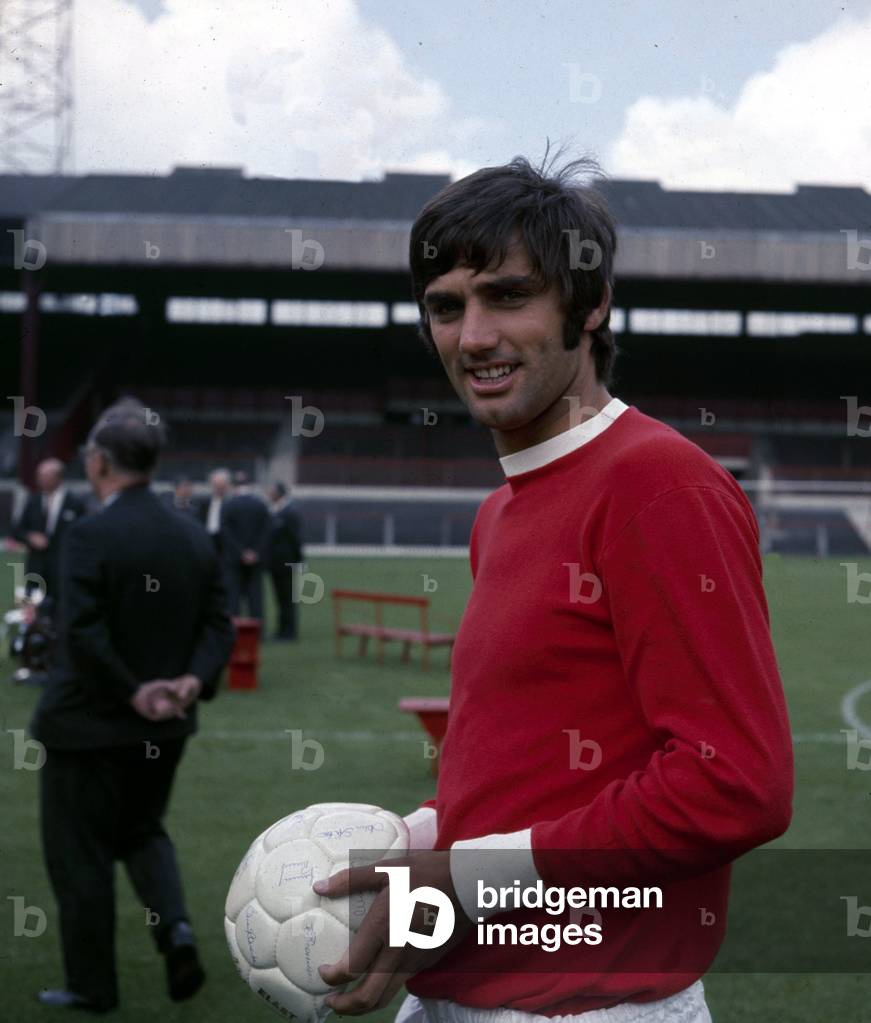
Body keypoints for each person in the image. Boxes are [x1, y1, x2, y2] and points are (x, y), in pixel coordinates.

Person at [315, 154, 794, 1022]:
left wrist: (465, 873)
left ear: (590, 301)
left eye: (507, 295)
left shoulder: (658, 486)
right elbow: (530, 762)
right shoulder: (498, 512)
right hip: (466, 985)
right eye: (445, 307)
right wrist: (419, 841)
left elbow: (735, 783)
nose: (472, 337)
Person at [31, 398, 235, 1013]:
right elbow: (219, 625)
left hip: (87, 728)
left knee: (81, 856)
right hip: (166, 726)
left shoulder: (88, 533)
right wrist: (189, 683)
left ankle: (92, 986)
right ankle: (173, 930)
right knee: (143, 832)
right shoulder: (193, 533)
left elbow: (83, 632)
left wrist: (130, 689)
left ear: (97, 464)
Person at [11, 458, 87, 608]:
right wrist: (30, 537)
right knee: (32, 609)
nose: (40, 480)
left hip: (63, 568)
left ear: (59, 477)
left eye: (45, 476)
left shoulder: (75, 503)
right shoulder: (33, 501)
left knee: (61, 609)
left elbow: (82, 535)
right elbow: (17, 530)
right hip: (36, 568)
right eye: (39, 476)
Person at [221, 472, 271, 619]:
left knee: (233, 598)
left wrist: (241, 553)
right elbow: (266, 532)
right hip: (256, 560)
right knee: (255, 597)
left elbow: (226, 533)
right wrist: (255, 552)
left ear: (233, 486)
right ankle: (257, 632)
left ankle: (234, 631)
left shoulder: (228, 505)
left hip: (234, 560)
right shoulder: (261, 505)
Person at [267, 481, 303, 640]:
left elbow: (296, 539)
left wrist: (298, 561)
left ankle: (289, 632)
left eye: (271, 491)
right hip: (277, 563)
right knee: (281, 598)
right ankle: (282, 629)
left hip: (287, 562)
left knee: (288, 598)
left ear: (279, 493)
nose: (269, 494)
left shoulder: (290, 512)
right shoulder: (277, 510)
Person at [199, 468, 231, 554]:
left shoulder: (232, 503)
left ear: (227, 485)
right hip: (208, 538)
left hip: (226, 542)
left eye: (221, 485)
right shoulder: (204, 503)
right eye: (216, 485)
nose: (218, 488)